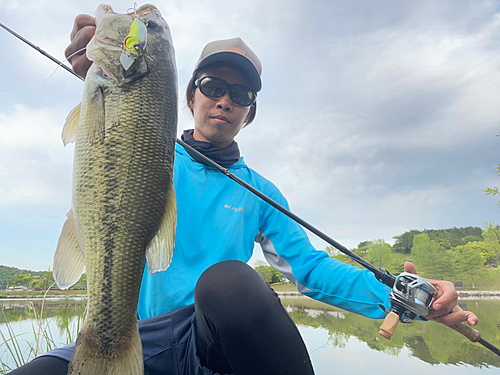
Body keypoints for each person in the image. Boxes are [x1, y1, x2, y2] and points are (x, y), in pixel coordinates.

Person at [9, 13, 478, 375]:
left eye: (241, 93)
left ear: (248, 114)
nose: (225, 99)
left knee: (229, 280)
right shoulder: (150, 154)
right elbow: (119, 138)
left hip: (207, 340)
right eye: (212, 86)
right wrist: (99, 82)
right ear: (189, 97)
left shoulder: (260, 193)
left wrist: (402, 298)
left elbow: (311, 269)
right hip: (131, 335)